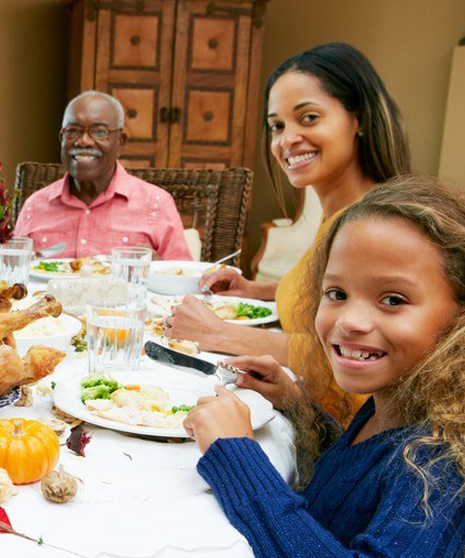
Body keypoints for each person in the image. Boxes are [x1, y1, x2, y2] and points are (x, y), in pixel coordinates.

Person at [183, 176, 465, 558]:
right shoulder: (393, 402)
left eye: (392, 299)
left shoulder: (444, 465)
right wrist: (296, 406)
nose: (350, 320)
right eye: (337, 293)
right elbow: (352, 491)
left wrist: (236, 455)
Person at [168, 42, 410, 422]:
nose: (286, 139)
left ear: (357, 119)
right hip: (305, 406)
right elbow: (325, 295)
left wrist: (218, 333)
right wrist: (256, 290)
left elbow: (352, 350)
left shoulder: (371, 226)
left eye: (309, 118)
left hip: (345, 434)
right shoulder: (341, 215)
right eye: (277, 126)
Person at [12, 91, 191, 260]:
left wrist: (156, 270)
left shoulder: (157, 204)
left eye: (99, 131)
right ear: (61, 138)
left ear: (120, 142)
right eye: (73, 130)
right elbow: (11, 277)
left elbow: (182, 279)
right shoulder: (35, 206)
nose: (83, 141)